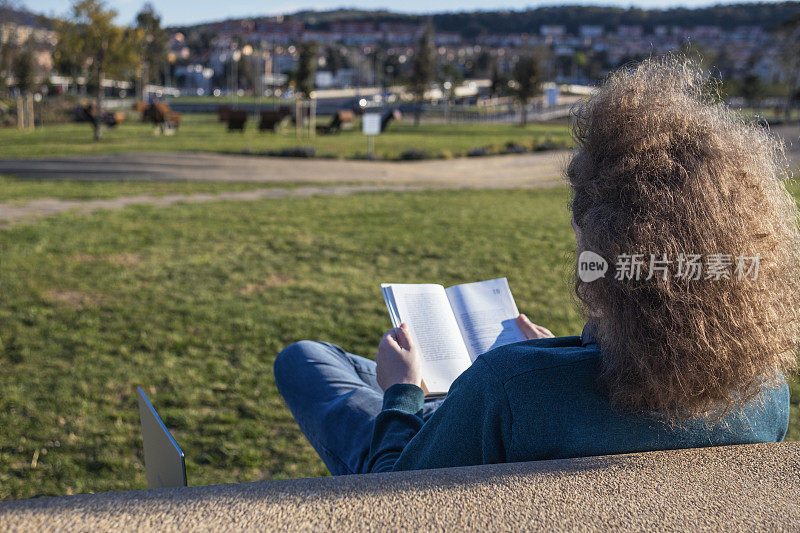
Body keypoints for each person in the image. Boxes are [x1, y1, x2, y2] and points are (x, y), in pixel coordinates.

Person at [274, 58, 800, 475]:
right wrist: (568, 348)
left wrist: (402, 393)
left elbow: (393, 491)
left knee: (306, 358)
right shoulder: (765, 392)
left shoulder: (513, 385)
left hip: (448, 434)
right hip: (517, 410)